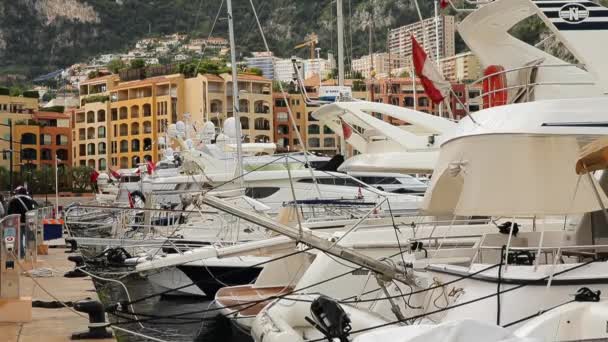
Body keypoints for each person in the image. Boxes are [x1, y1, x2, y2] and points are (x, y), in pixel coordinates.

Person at [7, 186, 38, 258]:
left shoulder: (13, 201)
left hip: (18, 223)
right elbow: (36, 210)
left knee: (19, 239)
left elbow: (10, 212)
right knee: (30, 238)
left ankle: (21, 254)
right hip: (30, 222)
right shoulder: (31, 200)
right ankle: (32, 253)